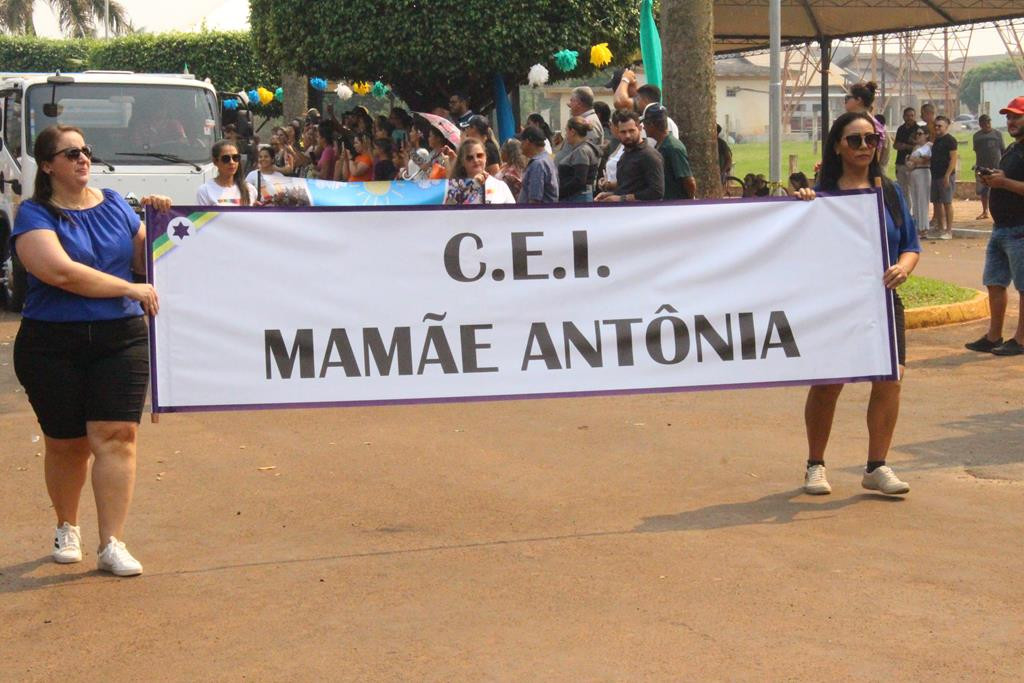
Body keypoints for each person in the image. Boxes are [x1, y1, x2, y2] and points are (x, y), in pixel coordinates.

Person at [11, 124, 172, 576]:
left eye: (86, 151)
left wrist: (159, 221)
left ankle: (112, 542)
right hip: (51, 345)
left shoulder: (118, 205)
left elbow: (147, 262)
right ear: (48, 166)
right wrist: (129, 288)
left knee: (117, 436)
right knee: (67, 444)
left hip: (119, 338)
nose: (83, 159)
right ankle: (67, 525)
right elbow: (61, 273)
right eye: (70, 153)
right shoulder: (34, 215)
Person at [798, 111, 920, 497]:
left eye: (871, 140)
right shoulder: (822, 197)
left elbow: (911, 246)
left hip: (882, 301)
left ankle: (876, 465)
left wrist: (903, 267)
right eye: (855, 140)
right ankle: (815, 465)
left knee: (891, 378)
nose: (865, 147)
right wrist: (801, 205)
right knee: (829, 383)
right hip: (836, 303)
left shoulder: (891, 192)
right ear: (838, 145)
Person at [967, 97, 1024, 356]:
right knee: (994, 282)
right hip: (1001, 228)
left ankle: (1021, 340)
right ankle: (994, 335)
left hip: (1020, 229)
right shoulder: (1013, 149)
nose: (1010, 121)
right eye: (1009, 117)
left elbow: (1013, 184)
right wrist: (992, 178)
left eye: (1016, 117)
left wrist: (1004, 183)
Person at [595, 110, 664, 202]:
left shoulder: (649, 155)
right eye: (623, 132)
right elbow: (628, 186)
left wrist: (621, 198)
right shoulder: (625, 154)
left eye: (631, 131)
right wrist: (609, 195)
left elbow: (656, 192)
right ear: (617, 132)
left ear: (639, 128)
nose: (627, 135)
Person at [643, 104, 695, 200]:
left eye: (645, 124)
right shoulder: (659, 146)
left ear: (651, 125)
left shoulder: (672, 148)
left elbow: (689, 182)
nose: (643, 128)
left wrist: (688, 203)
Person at [444, 139, 516, 205]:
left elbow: (513, 214)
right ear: (462, 162)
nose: (475, 160)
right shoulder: (454, 187)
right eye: (470, 158)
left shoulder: (501, 186)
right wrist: (473, 186)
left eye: (479, 155)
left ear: (485, 157)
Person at [613, 71, 680, 138]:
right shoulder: (667, 121)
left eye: (638, 99)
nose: (635, 102)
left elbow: (619, 102)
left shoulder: (653, 122)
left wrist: (625, 79)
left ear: (645, 101)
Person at [196, 140, 257, 206]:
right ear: (215, 161)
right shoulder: (205, 191)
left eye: (235, 158)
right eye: (226, 158)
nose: (232, 162)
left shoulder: (250, 189)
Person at [555, 116, 600, 202]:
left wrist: (559, 192)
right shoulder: (583, 149)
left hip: (576, 198)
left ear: (572, 132)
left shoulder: (581, 151)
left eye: (566, 131)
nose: (565, 135)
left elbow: (579, 180)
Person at [973, 114, 1007, 220]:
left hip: (996, 166)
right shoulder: (977, 136)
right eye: (984, 123)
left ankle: (1000, 210)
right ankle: (985, 211)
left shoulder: (997, 134)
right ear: (980, 124)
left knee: (998, 190)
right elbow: (976, 150)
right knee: (983, 191)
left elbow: (1002, 150)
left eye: (988, 122)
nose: (987, 125)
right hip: (982, 166)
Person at [930, 115, 958, 240]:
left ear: (946, 127)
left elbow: (953, 159)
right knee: (936, 202)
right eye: (935, 125)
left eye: (940, 126)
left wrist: (947, 175)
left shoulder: (950, 140)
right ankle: (940, 228)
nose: (937, 128)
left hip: (945, 175)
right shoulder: (936, 140)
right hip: (935, 175)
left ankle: (949, 230)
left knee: (947, 202)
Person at [517, 125, 559, 204]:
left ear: (527, 142)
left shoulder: (538, 164)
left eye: (521, 142)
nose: (520, 146)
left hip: (537, 214)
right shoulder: (548, 159)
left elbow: (535, 200)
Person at [906, 127, 933, 231]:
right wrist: (912, 161)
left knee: (922, 200)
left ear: (926, 135)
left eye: (920, 133)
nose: (918, 136)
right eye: (916, 134)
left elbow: (923, 160)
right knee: (915, 200)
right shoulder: (916, 147)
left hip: (923, 172)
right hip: (914, 173)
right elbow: (910, 162)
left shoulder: (929, 146)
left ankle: (924, 226)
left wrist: (913, 160)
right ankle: (917, 225)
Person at [893, 107, 919, 194]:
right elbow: (895, 145)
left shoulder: (918, 130)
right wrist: (901, 146)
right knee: (902, 190)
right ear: (903, 117)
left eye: (912, 115)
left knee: (913, 190)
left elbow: (920, 147)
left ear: (915, 116)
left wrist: (906, 146)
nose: (910, 118)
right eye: (907, 116)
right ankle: (905, 208)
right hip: (900, 162)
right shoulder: (900, 129)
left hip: (913, 164)